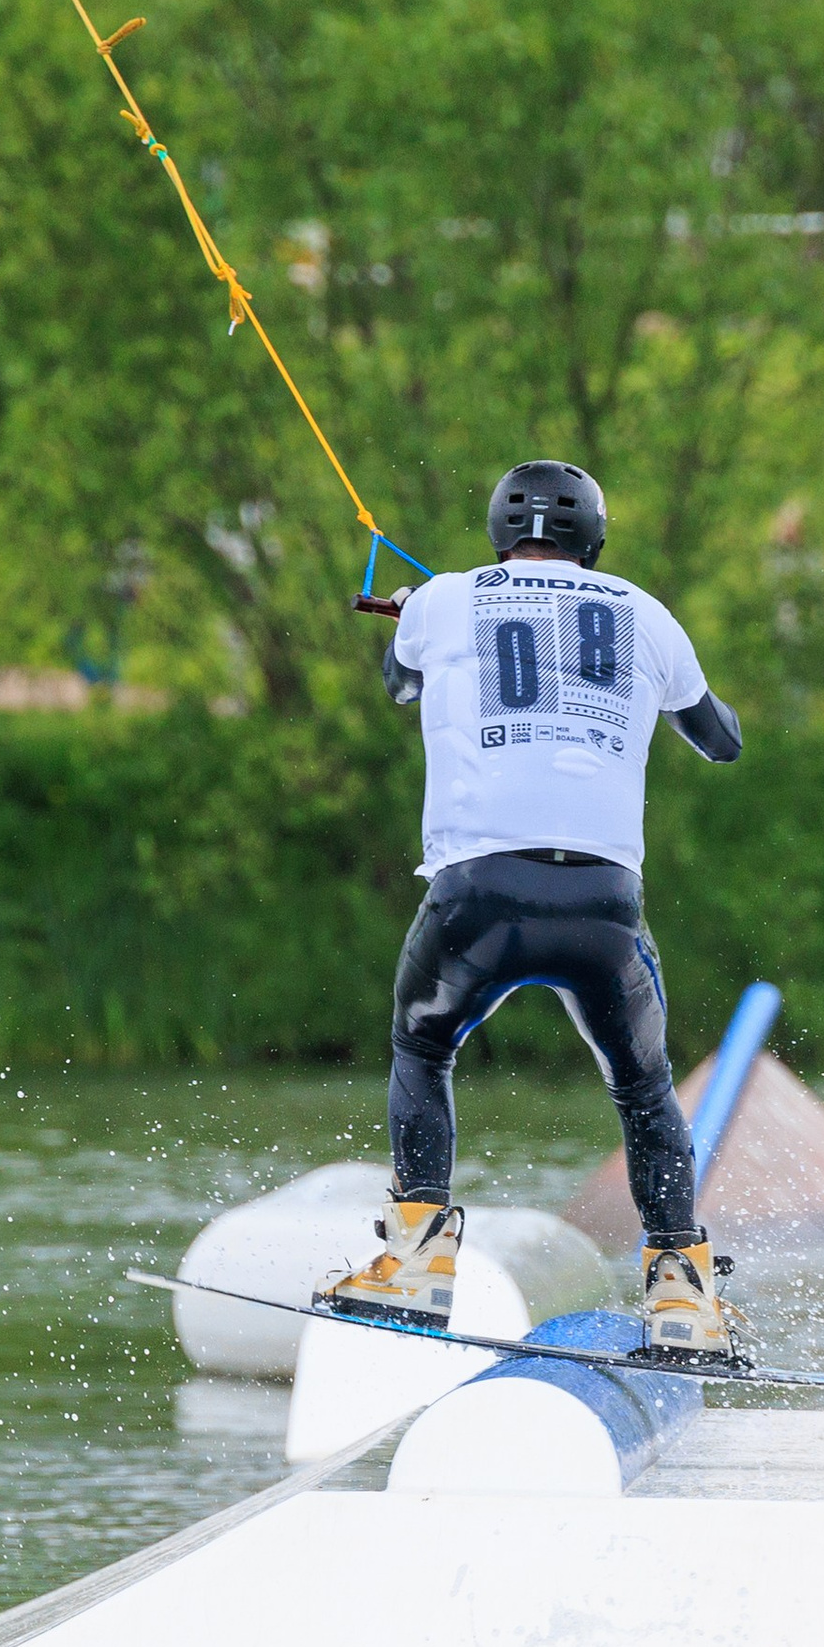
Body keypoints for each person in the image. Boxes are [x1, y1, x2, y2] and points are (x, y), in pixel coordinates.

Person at [315, 458, 745, 1362]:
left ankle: (418, 1262)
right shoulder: (647, 614)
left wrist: (414, 618)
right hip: (603, 903)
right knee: (643, 1088)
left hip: (480, 894)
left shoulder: (440, 600)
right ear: (595, 537)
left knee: (423, 1046)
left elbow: (400, 686)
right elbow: (721, 741)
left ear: (500, 534)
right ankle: (683, 1294)